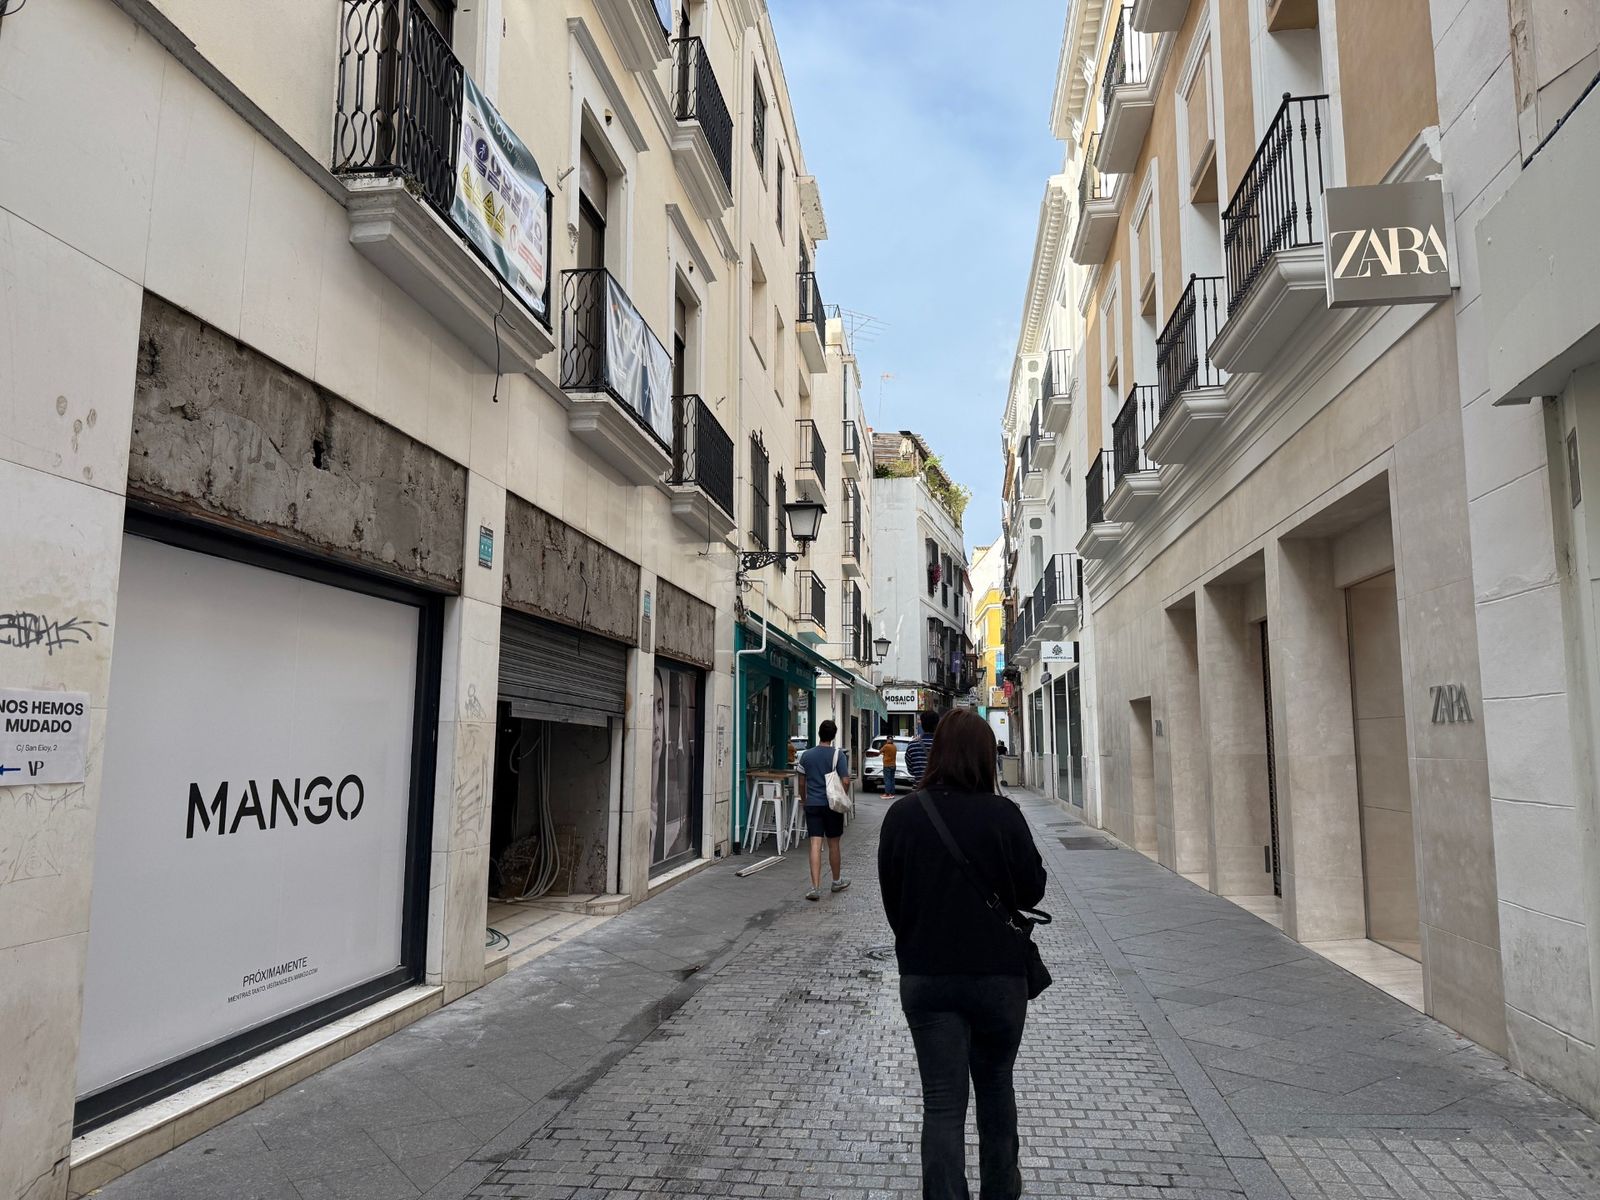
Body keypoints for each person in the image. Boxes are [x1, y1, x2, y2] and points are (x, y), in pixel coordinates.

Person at [877, 709, 1047, 1200]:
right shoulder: (1004, 814)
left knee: (943, 1103)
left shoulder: (904, 815)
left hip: (928, 977)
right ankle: (1000, 1191)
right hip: (998, 976)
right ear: (985, 757)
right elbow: (1033, 890)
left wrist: (919, 939)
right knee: (996, 1088)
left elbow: (893, 897)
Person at [795, 719, 851, 901]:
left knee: (815, 844)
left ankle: (815, 887)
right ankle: (836, 881)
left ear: (819, 733)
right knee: (833, 844)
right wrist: (842, 796)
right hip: (831, 805)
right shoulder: (838, 755)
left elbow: (801, 782)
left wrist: (804, 799)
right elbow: (845, 780)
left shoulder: (806, 755)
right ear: (833, 736)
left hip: (813, 804)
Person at [904, 708, 940, 790]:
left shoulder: (912, 745)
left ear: (922, 724)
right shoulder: (945, 745)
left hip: (919, 792)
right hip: (939, 792)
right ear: (937, 724)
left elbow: (911, 771)